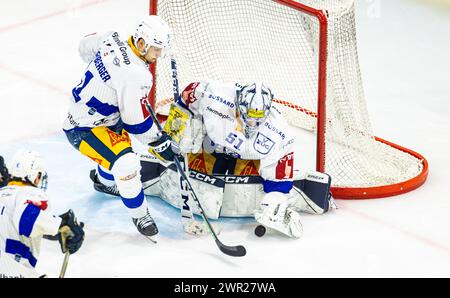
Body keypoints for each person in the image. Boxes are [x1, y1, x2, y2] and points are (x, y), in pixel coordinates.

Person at [91, 80, 335, 238]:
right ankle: (113, 175)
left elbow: (279, 179)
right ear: (238, 102)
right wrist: (175, 136)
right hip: (207, 144)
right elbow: (187, 96)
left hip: (243, 161)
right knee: (169, 150)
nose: (251, 123)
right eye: (247, 116)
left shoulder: (279, 132)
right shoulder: (213, 96)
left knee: (266, 189)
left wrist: (273, 205)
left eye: (258, 119)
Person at [63, 16, 178, 240]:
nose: (159, 55)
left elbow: (83, 47)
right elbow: (136, 124)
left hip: (99, 117)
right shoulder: (137, 75)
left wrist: (104, 77)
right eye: (156, 49)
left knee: (116, 149)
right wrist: (159, 142)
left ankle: (104, 183)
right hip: (84, 128)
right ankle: (140, 215)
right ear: (142, 43)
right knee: (126, 162)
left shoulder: (112, 38)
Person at [0, 150, 84, 278]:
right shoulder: (29, 193)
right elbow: (26, 221)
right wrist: (61, 225)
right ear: (36, 175)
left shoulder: (4, 195)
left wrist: (56, 228)